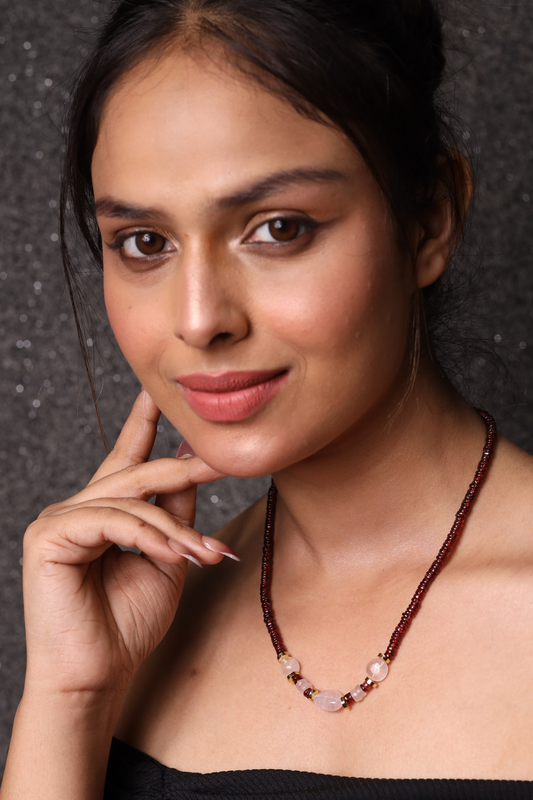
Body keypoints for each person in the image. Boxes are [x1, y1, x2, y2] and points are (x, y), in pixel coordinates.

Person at [2, 0, 533, 797]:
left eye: (277, 229)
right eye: (144, 244)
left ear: (428, 218)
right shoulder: (134, 630)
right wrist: (70, 699)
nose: (198, 319)